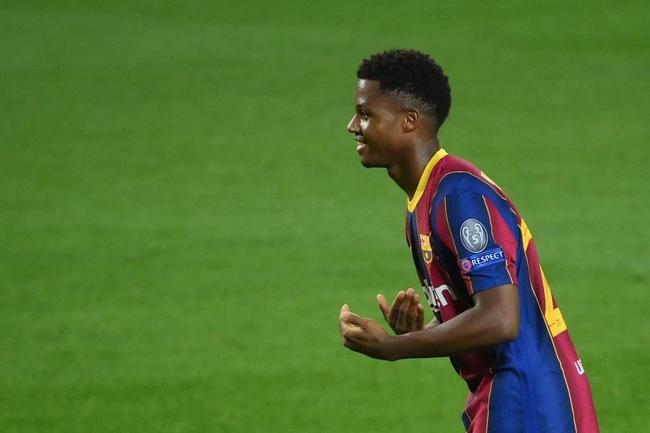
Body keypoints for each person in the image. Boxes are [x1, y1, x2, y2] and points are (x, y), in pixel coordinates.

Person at [338, 49, 599, 433]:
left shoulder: (458, 195)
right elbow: (482, 311)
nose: (353, 126)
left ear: (409, 121)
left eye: (365, 114)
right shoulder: (425, 200)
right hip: (515, 393)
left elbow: (500, 318)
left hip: (529, 399)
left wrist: (394, 348)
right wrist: (421, 334)